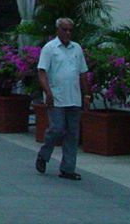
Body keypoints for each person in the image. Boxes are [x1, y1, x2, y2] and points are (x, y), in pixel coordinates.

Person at [36, 17, 90, 181]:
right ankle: (44, 154)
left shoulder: (76, 49)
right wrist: (48, 92)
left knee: (73, 133)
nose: (67, 33)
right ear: (58, 30)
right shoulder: (50, 48)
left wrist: (86, 94)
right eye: (64, 30)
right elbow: (42, 72)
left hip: (73, 97)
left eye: (70, 30)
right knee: (57, 128)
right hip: (56, 96)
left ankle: (67, 168)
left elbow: (82, 73)